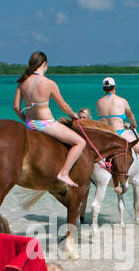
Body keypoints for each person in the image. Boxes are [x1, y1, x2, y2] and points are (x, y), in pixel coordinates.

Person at [13, 51, 85, 189]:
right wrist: (73, 114)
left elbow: (16, 107)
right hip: (46, 124)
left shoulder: (22, 82)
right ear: (44, 64)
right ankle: (64, 173)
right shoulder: (49, 83)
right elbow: (63, 106)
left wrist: (26, 120)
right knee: (80, 142)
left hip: (30, 123)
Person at [93, 76, 139, 188]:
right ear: (114, 87)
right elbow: (130, 115)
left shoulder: (99, 102)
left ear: (104, 89)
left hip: (104, 135)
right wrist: (134, 125)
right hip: (119, 133)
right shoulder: (122, 101)